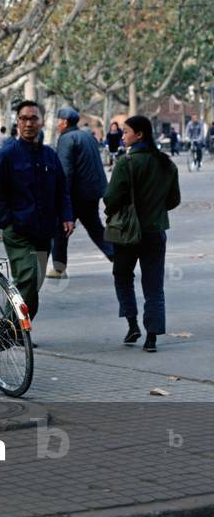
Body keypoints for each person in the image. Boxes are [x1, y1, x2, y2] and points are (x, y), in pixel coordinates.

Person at [0, 101, 73, 321]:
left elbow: (62, 189)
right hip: (18, 231)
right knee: (27, 277)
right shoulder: (7, 155)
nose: (28, 123)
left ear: (42, 122)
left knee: (34, 282)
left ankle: (13, 327)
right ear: (17, 122)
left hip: (44, 231)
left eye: (33, 119)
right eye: (24, 119)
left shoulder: (48, 155)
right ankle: (12, 329)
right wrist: (6, 222)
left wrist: (66, 216)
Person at [104, 116, 180, 352]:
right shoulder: (167, 164)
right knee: (154, 285)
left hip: (128, 233)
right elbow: (174, 200)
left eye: (126, 132)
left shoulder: (126, 163)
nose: (123, 136)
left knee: (122, 276)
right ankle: (152, 337)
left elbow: (111, 197)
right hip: (155, 231)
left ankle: (132, 324)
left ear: (139, 135)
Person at [48, 107, 114, 278]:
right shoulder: (87, 135)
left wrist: (62, 197)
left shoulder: (66, 139)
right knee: (95, 227)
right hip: (92, 191)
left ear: (64, 122)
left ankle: (59, 268)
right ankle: (117, 256)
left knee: (60, 229)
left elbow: (65, 171)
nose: (57, 124)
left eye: (58, 120)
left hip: (76, 194)